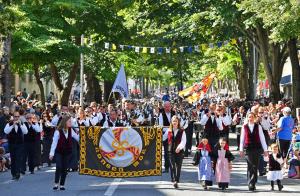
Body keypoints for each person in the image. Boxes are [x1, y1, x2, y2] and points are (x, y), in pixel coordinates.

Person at [239, 112, 268, 191]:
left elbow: (262, 138)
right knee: (250, 165)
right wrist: (241, 150)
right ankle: (250, 183)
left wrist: (265, 150)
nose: (250, 118)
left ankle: (253, 182)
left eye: (252, 117)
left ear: (254, 118)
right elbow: (242, 139)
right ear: (247, 118)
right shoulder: (244, 127)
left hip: (257, 148)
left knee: (255, 166)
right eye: (249, 117)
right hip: (248, 149)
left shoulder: (258, 127)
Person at [49, 115, 79, 190]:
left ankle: (62, 184)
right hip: (59, 152)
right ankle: (56, 183)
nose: (71, 123)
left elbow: (77, 138)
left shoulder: (71, 130)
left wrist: (84, 137)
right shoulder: (58, 131)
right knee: (59, 166)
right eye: (69, 121)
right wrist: (51, 153)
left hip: (67, 152)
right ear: (65, 122)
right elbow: (54, 143)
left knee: (65, 168)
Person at [163, 116, 186, 188]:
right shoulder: (168, 130)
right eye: (173, 121)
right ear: (171, 122)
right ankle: (174, 181)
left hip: (179, 151)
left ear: (178, 122)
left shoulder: (182, 131)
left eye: (176, 121)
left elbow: (184, 141)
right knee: (172, 166)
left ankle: (177, 180)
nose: (174, 122)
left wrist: (179, 147)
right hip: (170, 151)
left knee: (178, 166)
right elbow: (163, 138)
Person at [4, 111, 28, 180]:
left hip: (20, 144)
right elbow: (6, 131)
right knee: (13, 158)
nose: (16, 118)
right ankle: (13, 174)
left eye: (18, 116)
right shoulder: (9, 124)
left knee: (18, 158)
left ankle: (18, 173)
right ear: (13, 117)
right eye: (15, 116)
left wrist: (20, 125)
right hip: (12, 144)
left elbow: (25, 132)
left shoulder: (22, 123)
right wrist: (12, 126)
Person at [159, 101, 175, 173]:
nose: (168, 108)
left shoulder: (174, 113)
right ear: (164, 107)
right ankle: (166, 167)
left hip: (174, 134)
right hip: (166, 134)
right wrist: (169, 129)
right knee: (166, 151)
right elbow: (161, 126)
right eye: (166, 107)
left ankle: (174, 166)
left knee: (173, 151)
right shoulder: (161, 115)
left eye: (169, 106)